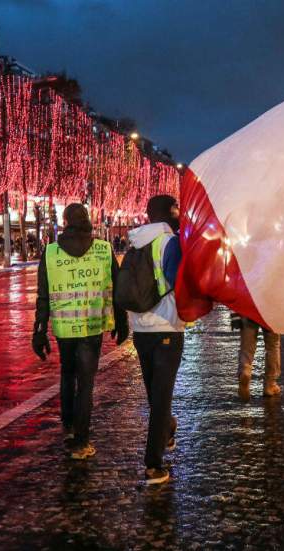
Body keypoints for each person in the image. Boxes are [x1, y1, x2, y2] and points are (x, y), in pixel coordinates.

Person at [32, 203, 129, 461]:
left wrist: (39, 330)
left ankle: (68, 425)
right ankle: (81, 441)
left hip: (64, 326)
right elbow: (117, 290)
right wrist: (122, 322)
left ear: (65, 222)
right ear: (87, 220)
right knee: (85, 382)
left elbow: (43, 295)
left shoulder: (51, 252)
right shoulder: (104, 249)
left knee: (67, 372)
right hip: (92, 325)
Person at [126, 195, 185, 485]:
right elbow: (177, 281)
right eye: (176, 209)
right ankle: (153, 464)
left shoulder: (135, 241)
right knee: (161, 398)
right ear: (168, 213)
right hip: (166, 326)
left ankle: (167, 429)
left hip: (140, 328)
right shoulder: (169, 243)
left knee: (154, 394)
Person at [237, 316, 282, 400]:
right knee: (273, 346)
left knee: (246, 347)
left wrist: (236, 315)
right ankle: (270, 384)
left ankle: (245, 371)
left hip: (248, 309)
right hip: (270, 312)